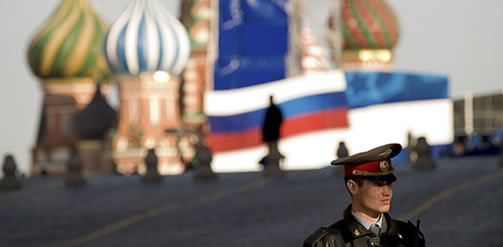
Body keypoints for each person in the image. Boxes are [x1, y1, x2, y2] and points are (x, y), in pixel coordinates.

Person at [303, 143, 425, 247]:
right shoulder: (327, 243)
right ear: (353, 187)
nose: (387, 192)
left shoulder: (408, 235)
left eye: (389, 183)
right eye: (378, 184)